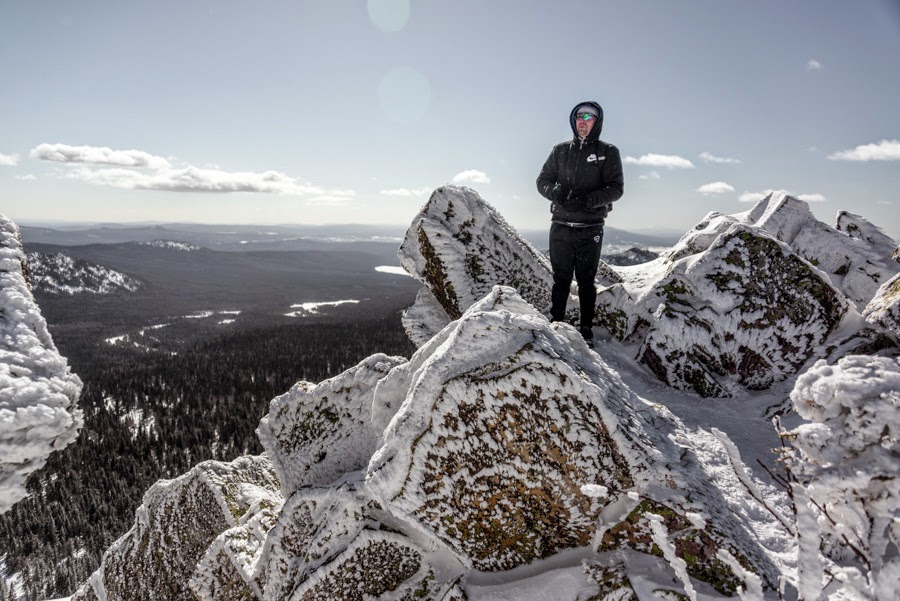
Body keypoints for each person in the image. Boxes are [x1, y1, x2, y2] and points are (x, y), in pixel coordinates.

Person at [536, 101, 624, 348]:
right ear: (573, 120)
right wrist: (554, 192)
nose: (583, 121)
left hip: (591, 227)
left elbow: (616, 189)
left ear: (597, 121)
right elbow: (542, 180)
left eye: (589, 116)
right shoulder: (560, 151)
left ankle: (586, 331)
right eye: (578, 116)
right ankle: (556, 324)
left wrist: (587, 200)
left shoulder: (608, 151)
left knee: (586, 281)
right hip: (561, 225)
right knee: (561, 279)